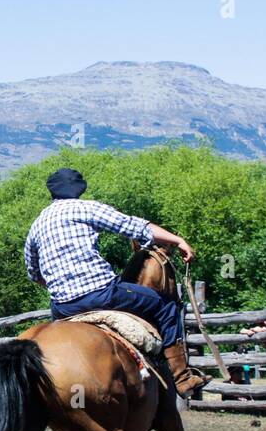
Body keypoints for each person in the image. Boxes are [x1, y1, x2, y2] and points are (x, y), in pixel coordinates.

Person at [24, 167, 206, 397]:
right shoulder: (86, 208)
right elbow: (136, 227)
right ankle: (181, 377)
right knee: (166, 306)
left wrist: (62, 287)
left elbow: (34, 273)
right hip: (102, 293)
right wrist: (178, 240)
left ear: (52, 192)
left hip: (62, 307)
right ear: (79, 189)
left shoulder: (37, 225)